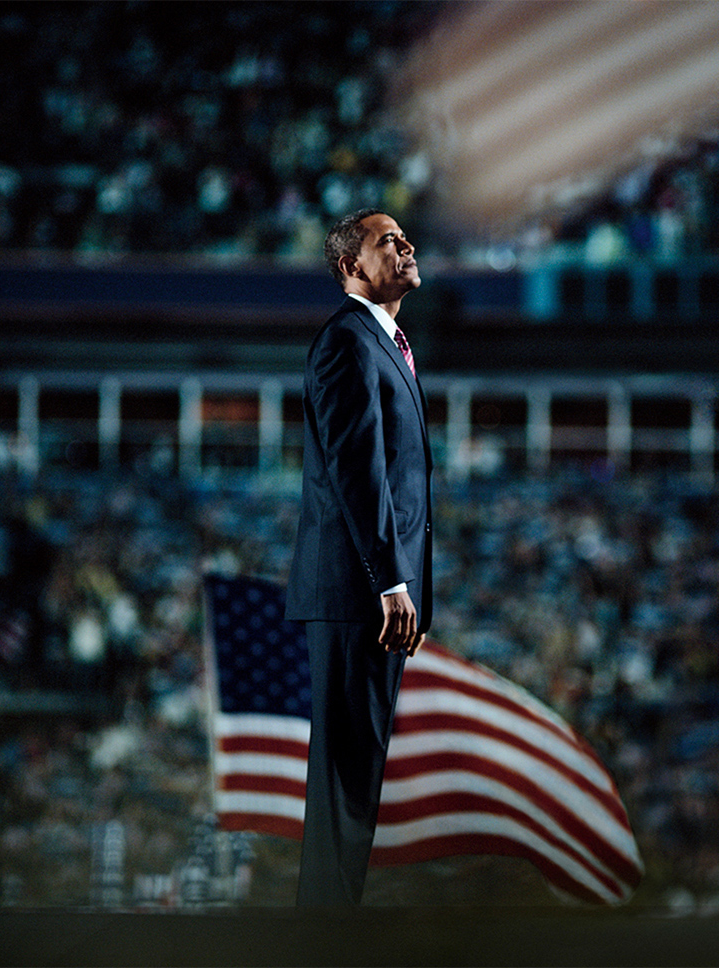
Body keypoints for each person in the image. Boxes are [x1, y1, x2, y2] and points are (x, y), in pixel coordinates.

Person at [285, 208, 433, 905]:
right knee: (344, 781)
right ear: (351, 267)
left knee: (355, 781)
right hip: (356, 596)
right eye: (386, 242)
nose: (405, 246)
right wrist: (391, 584)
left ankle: (330, 927)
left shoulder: (387, 341)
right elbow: (358, 471)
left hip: (369, 595)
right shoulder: (349, 342)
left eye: (404, 238)